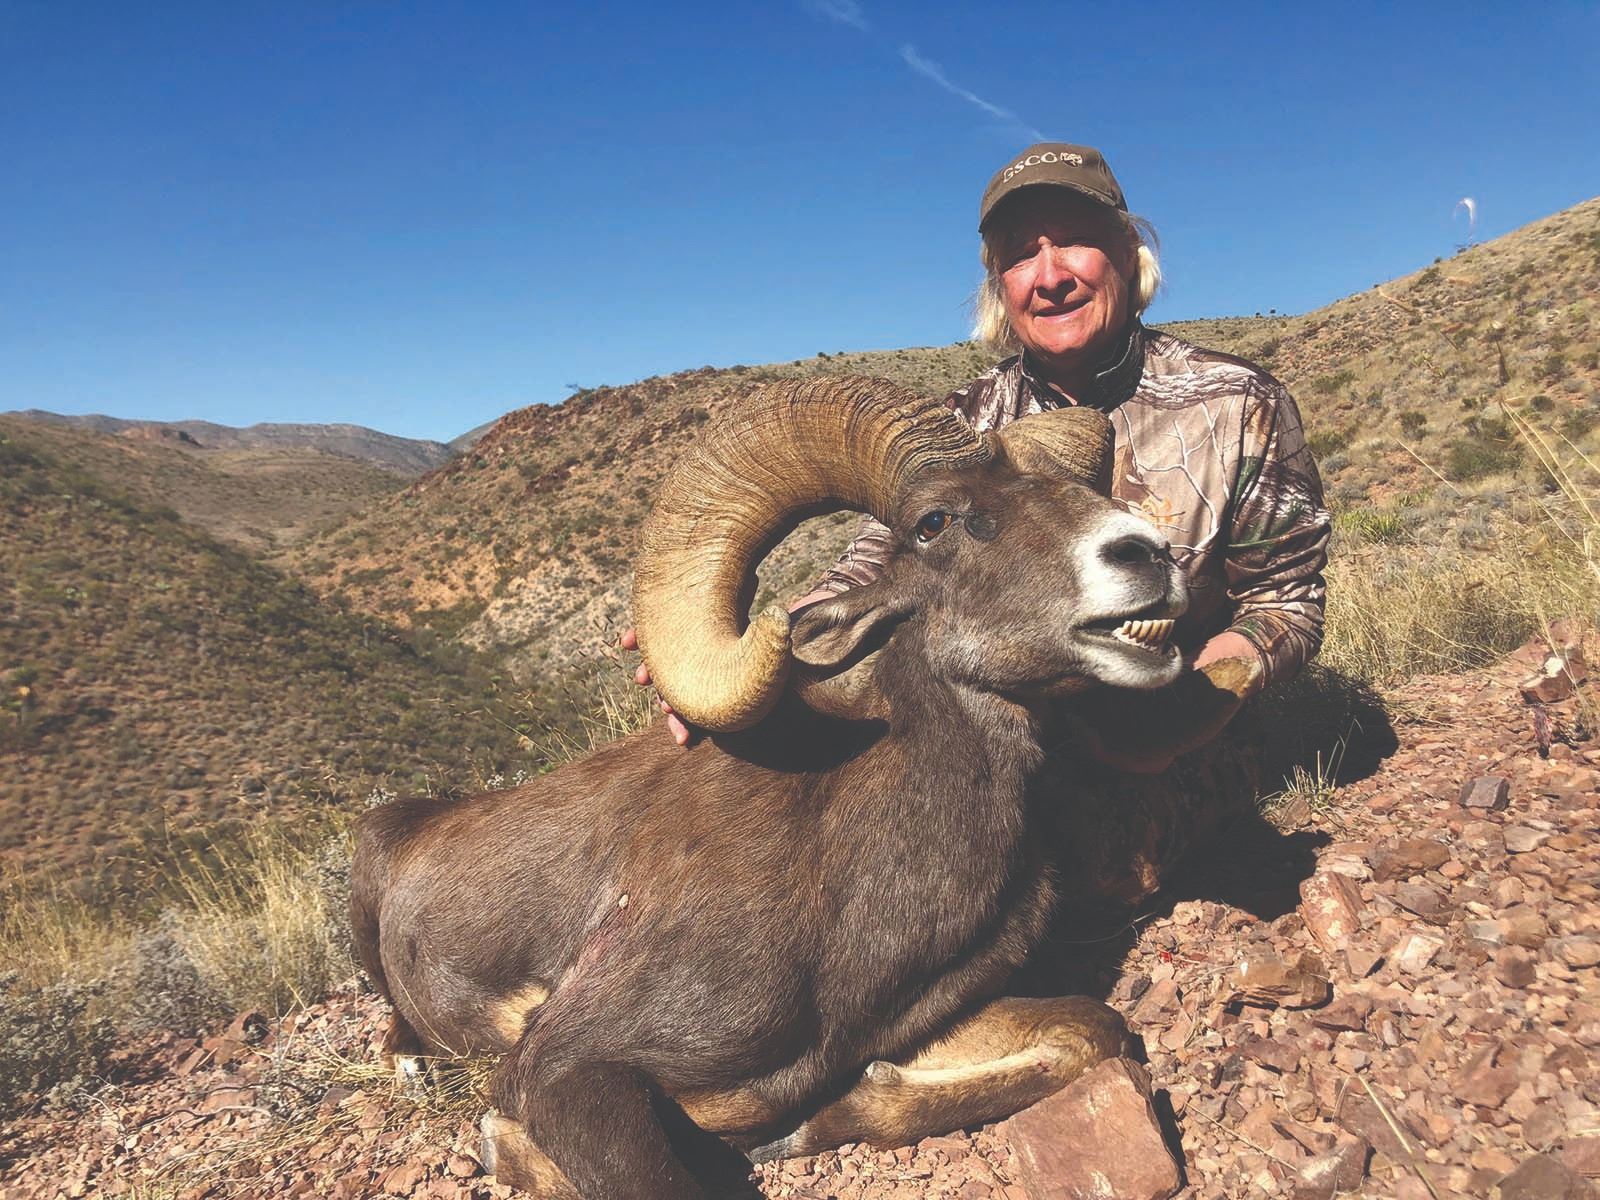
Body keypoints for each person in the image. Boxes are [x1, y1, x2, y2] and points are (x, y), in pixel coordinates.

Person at [625, 141, 1329, 899]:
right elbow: (875, 568)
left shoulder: (1236, 405)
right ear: (1000, 285)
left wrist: (1191, 707)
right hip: (989, 727)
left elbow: (1286, 600)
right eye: (1021, 255)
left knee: (1078, 863)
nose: (1050, 275)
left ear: (1129, 254)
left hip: (1165, 723)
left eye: (1076, 240)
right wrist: (715, 658)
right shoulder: (955, 428)